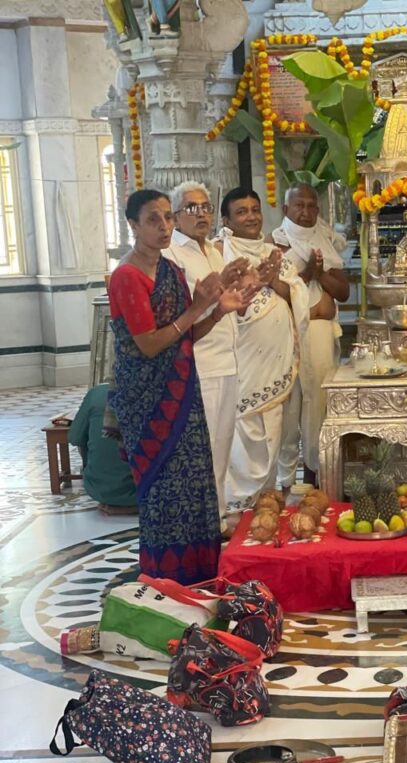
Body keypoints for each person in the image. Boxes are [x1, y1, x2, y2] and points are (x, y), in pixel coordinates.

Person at [108, 188, 253, 584]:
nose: (164, 226)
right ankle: (163, 575)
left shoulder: (171, 272)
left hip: (182, 392)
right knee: (163, 490)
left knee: (194, 483)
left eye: (168, 217)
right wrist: (199, 305)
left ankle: (200, 572)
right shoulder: (126, 276)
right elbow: (150, 343)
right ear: (133, 225)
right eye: (153, 220)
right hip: (147, 401)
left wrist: (218, 311)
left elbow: (185, 336)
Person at [164, 180, 249, 527]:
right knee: (205, 447)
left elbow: (222, 303)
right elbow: (183, 310)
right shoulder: (172, 255)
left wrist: (245, 289)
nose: (202, 214)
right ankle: (203, 521)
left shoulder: (212, 251)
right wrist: (219, 286)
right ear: (175, 216)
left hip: (227, 358)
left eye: (206, 207)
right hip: (201, 363)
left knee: (223, 442)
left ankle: (218, 514)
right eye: (192, 208)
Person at [217, 187, 307, 510]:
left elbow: (296, 295)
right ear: (226, 220)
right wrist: (253, 282)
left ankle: (264, 502)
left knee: (273, 433)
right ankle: (237, 504)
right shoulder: (219, 253)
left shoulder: (274, 253)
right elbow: (220, 307)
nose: (251, 217)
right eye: (241, 212)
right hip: (242, 362)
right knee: (243, 432)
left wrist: (271, 281)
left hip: (275, 363)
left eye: (255, 210)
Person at [271, 184, 350, 489]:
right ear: (285, 209)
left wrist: (320, 275)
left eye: (310, 206)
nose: (305, 212)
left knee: (318, 403)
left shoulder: (325, 241)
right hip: (287, 334)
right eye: (298, 206)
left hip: (319, 334)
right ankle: (285, 482)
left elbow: (342, 291)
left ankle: (316, 476)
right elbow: (279, 292)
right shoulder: (274, 244)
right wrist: (307, 275)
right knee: (289, 408)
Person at [68, 383, 137, 512]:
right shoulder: (158, 393)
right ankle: (134, 504)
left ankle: (109, 487)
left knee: (85, 438)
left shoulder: (96, 393)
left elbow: (74, 438)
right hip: (143, 490)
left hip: (96, 489)